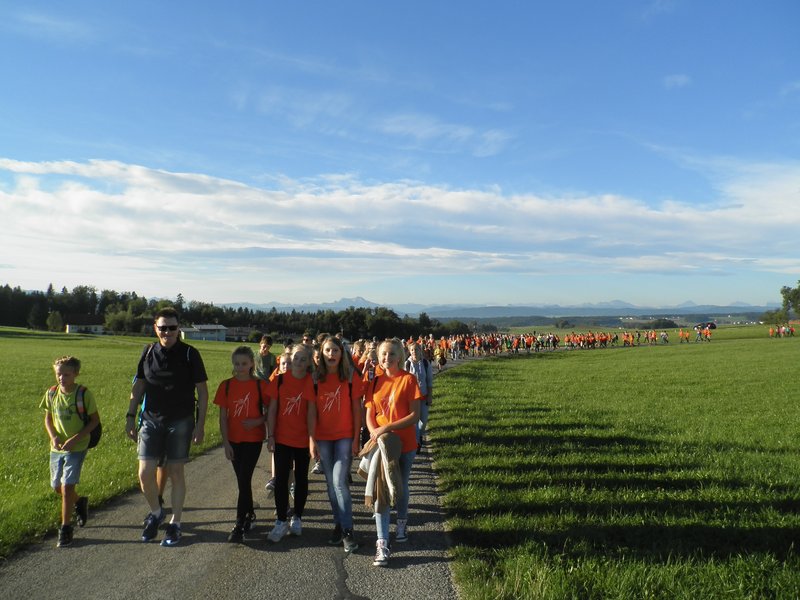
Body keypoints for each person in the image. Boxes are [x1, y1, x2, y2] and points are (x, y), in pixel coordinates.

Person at [125, 307, 208, 547]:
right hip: (151, 420)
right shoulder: (148, 352)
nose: (167, 332)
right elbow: (139, 386)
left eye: (172, 327)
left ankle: (176, 523)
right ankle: (156, 512)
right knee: (144, 473)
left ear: (178, 329)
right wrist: (130, 415)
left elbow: (202, 392)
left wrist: (200, 425)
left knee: (175, 472)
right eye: (163, 328)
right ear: (155, 328)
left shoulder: (190, 354)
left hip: (180, 420)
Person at [364, 338, 422, 567]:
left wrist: (386, 427)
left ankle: (402, 522)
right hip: (382, 444)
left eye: (391, 354)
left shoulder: (409, 380)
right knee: (382, 489)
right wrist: (375, 432)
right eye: (383, 354)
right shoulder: (375, 382)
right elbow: (369, 413)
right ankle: (382, 542)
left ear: (399, 357)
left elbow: (414, 416)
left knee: (401, 485)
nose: (386, 357)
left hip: (405, 444)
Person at [41, 356, 100, 548]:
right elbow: (48, 419)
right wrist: (53, 437)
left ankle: (65, 528)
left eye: (66, 375)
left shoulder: (83, 394)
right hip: (57, 448)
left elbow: (94, 420)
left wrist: (76, 438)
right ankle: (80, 502)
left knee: (67, 487)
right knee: (56, 486)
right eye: (59, 374)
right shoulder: (51, 393)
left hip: (77, 447)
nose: (62, 378)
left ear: (76, 374)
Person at [314, 335, 365, 552]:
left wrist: (356, 439)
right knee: (330, 484)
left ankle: (347, 530)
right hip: (322, 437)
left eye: (335, 350)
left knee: (338, 482)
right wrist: (311, 440)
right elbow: (311, 412)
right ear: (322, 354)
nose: (331, 354)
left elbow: (357, 410)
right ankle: (338, 523)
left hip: (344, 436)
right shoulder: (315, 378)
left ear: (341, 353)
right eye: (327, 350)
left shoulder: (350, 376)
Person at [214, 346, 268, 543]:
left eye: (244, 363)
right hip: (234, 440)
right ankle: (250, 514)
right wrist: (225, 443)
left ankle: (239, 524)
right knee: (242, 481)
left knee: (244, 478)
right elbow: (223, 417)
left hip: (253, 439)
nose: (240, 367)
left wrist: (258, 421)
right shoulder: (226, 385)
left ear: (252, 363)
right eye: (237, 364)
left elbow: (271, 410)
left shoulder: (260, 385)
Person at [265, 344, 317, 542]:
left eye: (303, 359)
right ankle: (281, 520)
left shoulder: (310, 382)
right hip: (282, 438)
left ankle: (297, 517)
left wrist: (312, 439)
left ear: (309, 362)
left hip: (302, 439)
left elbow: (311, 413)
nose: (299, 362)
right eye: (296, 358)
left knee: (301, 479)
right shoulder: (279, 380)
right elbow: (272, 410)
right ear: (289, 358)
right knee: (281, 479)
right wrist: (270, 436)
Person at [404, 342, 433, 452]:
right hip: (412, 398)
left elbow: (429, 381)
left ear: (420, 351)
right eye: (412, 350)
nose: (414, 352)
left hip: (424, 396)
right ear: (409, 351)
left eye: (416, 349)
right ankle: (416, 443)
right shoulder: (407, 364)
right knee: (414, 422)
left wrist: (430, 396)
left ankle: (419, 436)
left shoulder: (425, 363)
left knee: (423, 421)